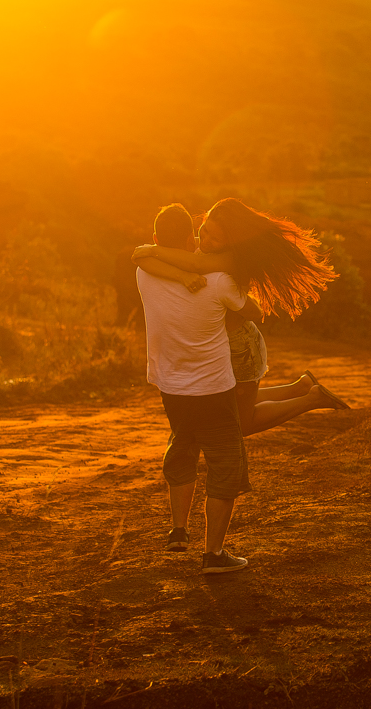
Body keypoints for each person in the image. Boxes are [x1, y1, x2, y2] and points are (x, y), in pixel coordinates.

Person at [132, 198, 350, 436]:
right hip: (228, 342)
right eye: (203, 231)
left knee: (241, 423)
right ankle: (301, 387)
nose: (204, 241)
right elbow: (140, 258)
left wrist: (154, 250)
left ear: (230, 241)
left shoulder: (226, 257)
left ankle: (312, 399)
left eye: (214, 238)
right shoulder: (205, 246)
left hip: (241, 346)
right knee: (233, 403)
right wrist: (166, 264)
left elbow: (191, 263)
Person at [137, 203, 259, 574]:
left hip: (170, 387)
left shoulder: (145, 272)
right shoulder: (220, 280)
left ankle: (178, 529)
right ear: (191, 239)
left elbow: (148, 253)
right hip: (213, 388)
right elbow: (255, 312)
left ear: (158, 240)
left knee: (183, 446)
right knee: (225, 463)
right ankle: (214, 555)